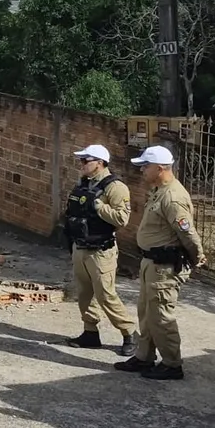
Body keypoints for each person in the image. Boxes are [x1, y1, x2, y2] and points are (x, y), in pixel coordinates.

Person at [114, 145, 206, 381]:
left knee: (162, 316)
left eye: (146, 166)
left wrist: (197, 258)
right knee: (146, 313)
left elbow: (187, 233)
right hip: (151, 263)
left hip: (164, 267)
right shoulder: (159, 191)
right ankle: (144, 356)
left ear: (161, 168)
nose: (142, 170)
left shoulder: (173, 197)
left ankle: (172, 364)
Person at [61, 144, 137, 356]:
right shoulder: (84, 183)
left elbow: (122, 219)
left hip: (101, 250)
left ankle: (130, 332)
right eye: (81, 160)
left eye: (86, 160)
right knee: (84, 293)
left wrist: (99, 207)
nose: (82, 164)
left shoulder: (115, 187)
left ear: (100, 163)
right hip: (81, 247)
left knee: (105, 295)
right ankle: (90, 332)